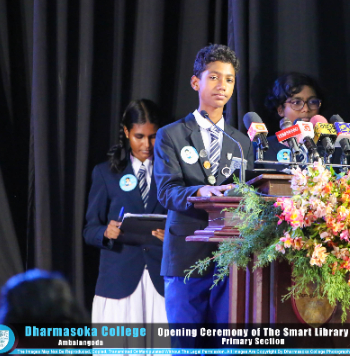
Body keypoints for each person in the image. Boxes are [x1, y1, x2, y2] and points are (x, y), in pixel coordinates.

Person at [154, 44, 254, 347]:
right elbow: (166, 191)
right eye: (214, 77)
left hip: (230, 258)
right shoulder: (171, 135)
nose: (222, 85)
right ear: (196, 82)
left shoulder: (241, 142)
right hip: (185, 255)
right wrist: (200, 191)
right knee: (187, 346)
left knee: (228, 347)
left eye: (229, 79)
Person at [83, 99, 167, 326]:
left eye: (153, 136)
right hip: (119, 282)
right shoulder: (106, 173)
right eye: (139, 136)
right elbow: (89, 230)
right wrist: (105, 232)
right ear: (127, 132)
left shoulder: (172, 173)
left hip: (162, 280)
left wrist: (171, 234)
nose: (147, 144)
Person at [262, 72, 336, 164]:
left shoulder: (330, 148)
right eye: (297, 102)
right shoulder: (264, 148)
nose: (306, 109)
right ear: (280, 110)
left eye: (313, 102)